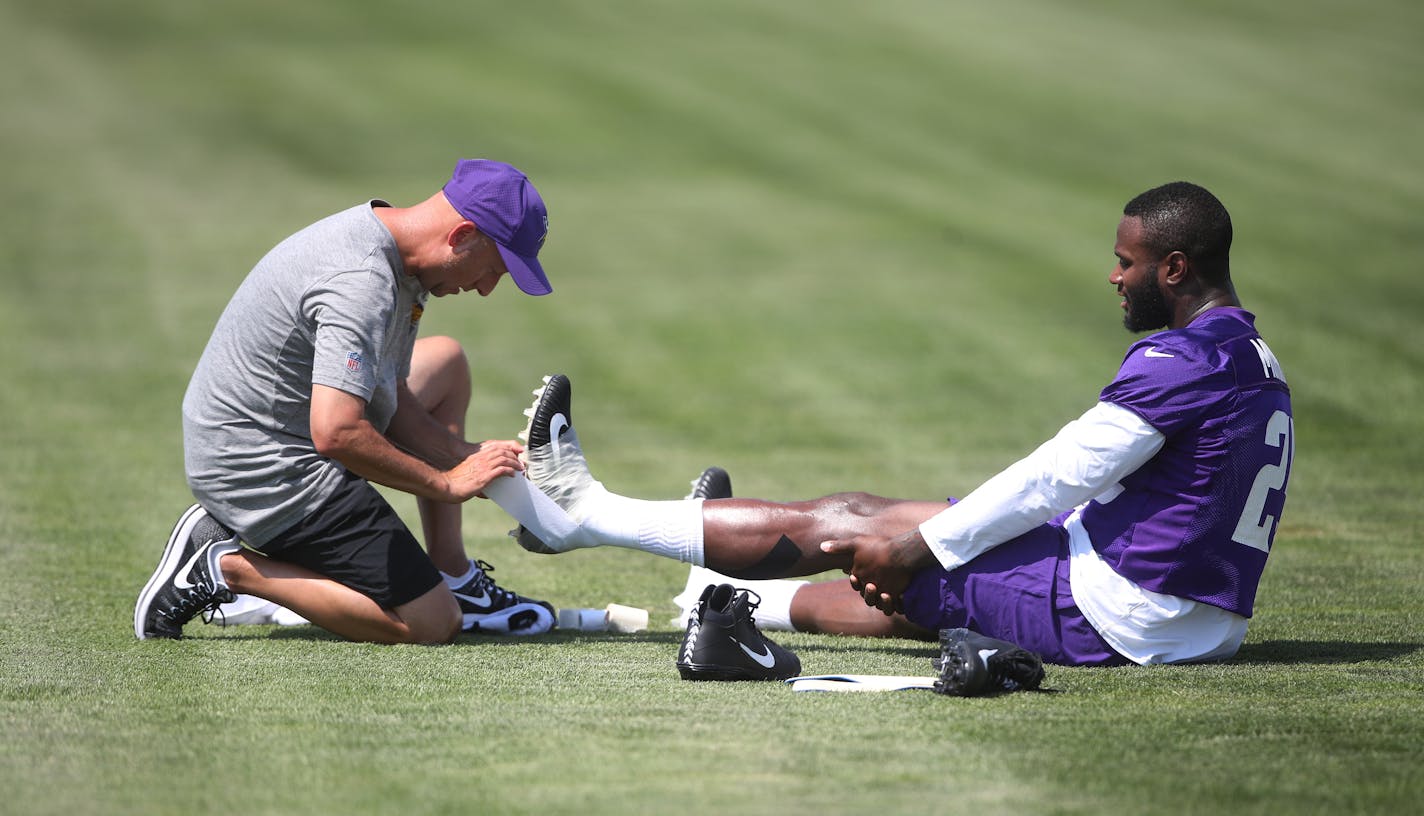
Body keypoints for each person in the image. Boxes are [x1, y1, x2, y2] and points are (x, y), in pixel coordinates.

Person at [490, 181, 1293, 667]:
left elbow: (1064, 470)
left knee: (876, 545)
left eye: (1127, 262)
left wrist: (925, 543)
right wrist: (932, 528)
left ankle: (584, 516)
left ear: (1175, 269)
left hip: (1128, 612)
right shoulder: (1249, 352)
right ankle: (726, 588)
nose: (1114, 276)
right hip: (1175, 603)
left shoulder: (1183, 362)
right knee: (872, 513)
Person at [135, 159, 557, 644]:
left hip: (271, 431)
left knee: (445, 361)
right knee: (431, 623)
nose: (485, 288)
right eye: (494, 270)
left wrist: (469, 457)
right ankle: (222, 567)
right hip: (260, 468)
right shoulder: (362, 281)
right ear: (461, 236)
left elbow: (389, 394)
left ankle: (454, 576)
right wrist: (445, 481)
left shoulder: (397, 256)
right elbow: (336, 433)